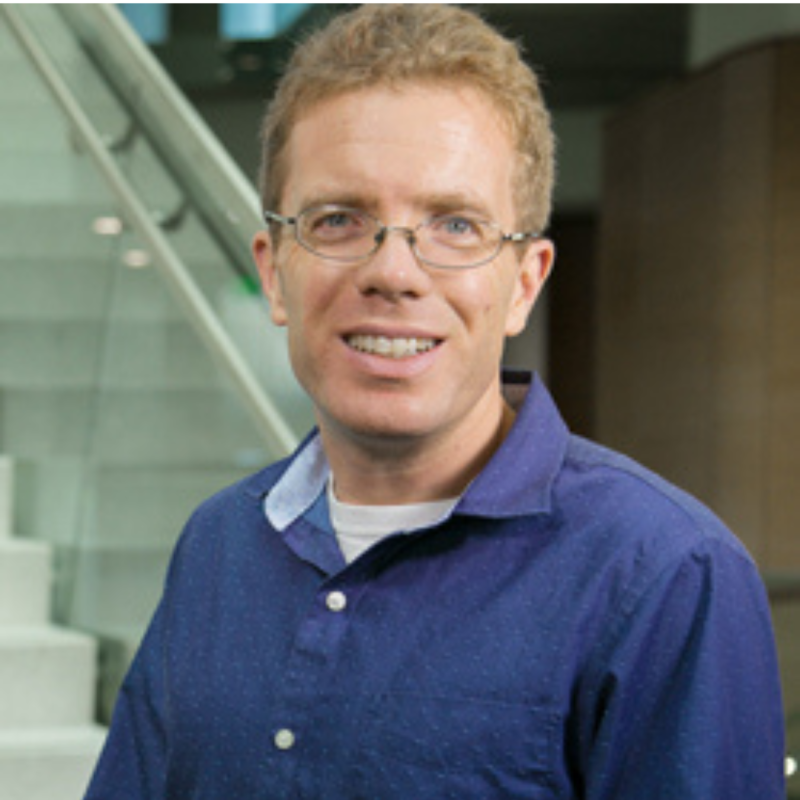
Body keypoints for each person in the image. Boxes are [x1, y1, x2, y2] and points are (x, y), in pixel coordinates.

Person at [85, 5, 786, 798]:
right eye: (338, 219)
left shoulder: (667, 576)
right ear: (274, 273)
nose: (394, 272)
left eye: (455, 225)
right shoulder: (218, 545)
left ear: (523, 283)